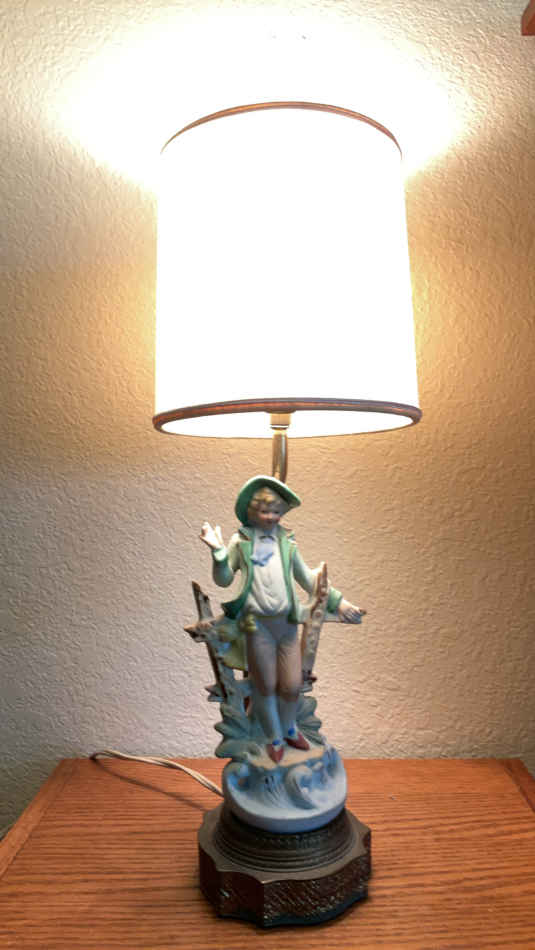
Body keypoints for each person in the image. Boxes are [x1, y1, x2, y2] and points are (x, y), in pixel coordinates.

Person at [200, 475, 363, 763]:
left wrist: (340, 603)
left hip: (286, 624)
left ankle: (289, 727)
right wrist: (218, 554)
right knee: (265, 685)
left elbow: (309, 579)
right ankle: (274, 736)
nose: (271, 517)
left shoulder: (287, 542)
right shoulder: (242, 541)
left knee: (291, 685)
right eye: (264, 511)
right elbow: (223, 580)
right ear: (251, 511)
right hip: (256, 625)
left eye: (276, 511)